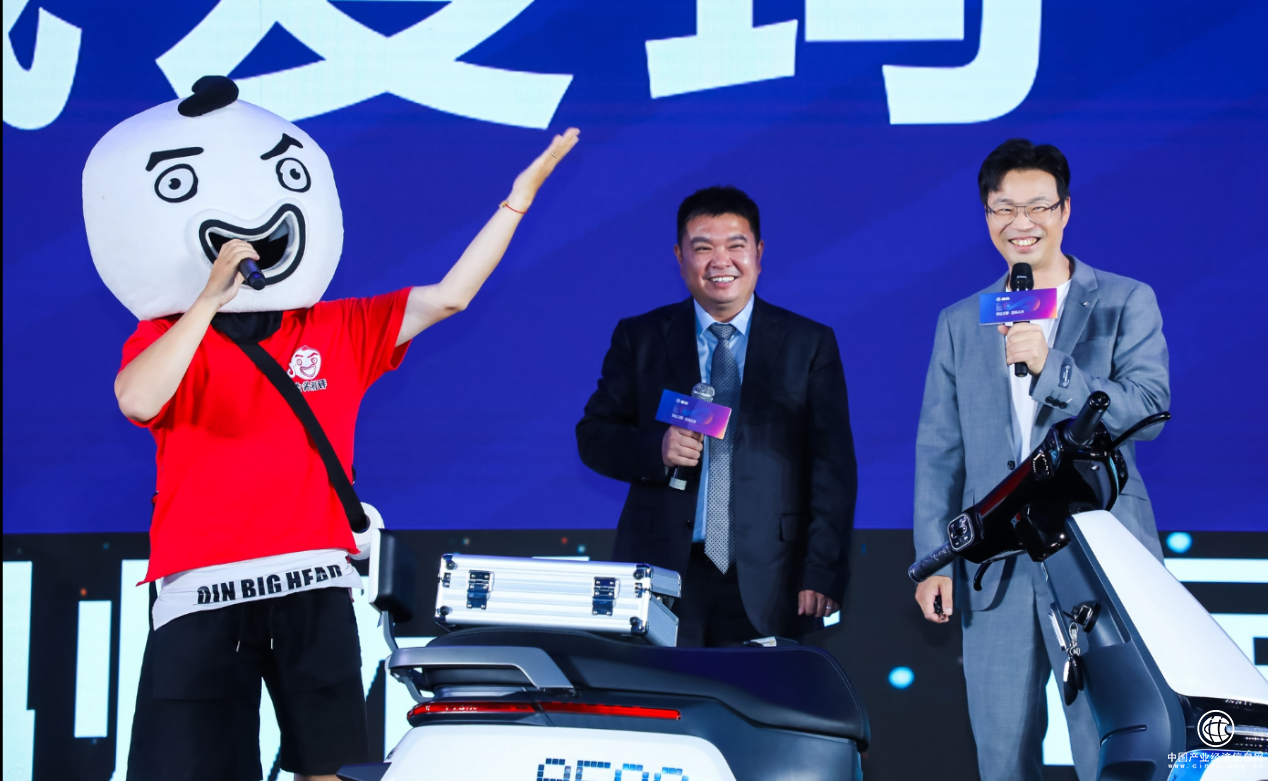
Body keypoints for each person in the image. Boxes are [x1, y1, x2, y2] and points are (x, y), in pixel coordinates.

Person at [84, 76, 578, 781]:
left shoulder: (339, 326)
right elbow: (136, 400)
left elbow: (450, 297)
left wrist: (517, 200)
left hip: (313, 582)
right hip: (202, 588)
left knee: (335, 768)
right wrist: (207, 300)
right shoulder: (168, 334)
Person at [912, 139, 1170, 781]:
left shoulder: (1123, 299)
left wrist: (1052, 366)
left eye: (1037, 206)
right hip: (996, 566)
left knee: (1109, 745)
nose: (1020, 222)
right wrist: (933, 559)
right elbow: (940, 449)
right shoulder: (960, 321)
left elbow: (1150, 409)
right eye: (1004, 208)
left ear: (1065, 210)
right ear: (987, 214)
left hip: (1095, 558)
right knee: (1002, 755)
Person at [576, 185, 857, 647]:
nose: (720, 261)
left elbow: (833, 468)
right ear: (680, 257)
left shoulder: (808, 343)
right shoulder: (640, 337)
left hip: (773, 574)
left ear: (759, 254)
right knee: (663, 693)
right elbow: (593, 436)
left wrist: (823, 569)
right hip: (663, 574)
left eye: (735, 246)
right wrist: (657, 449)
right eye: (703, 248)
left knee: (762, 692)